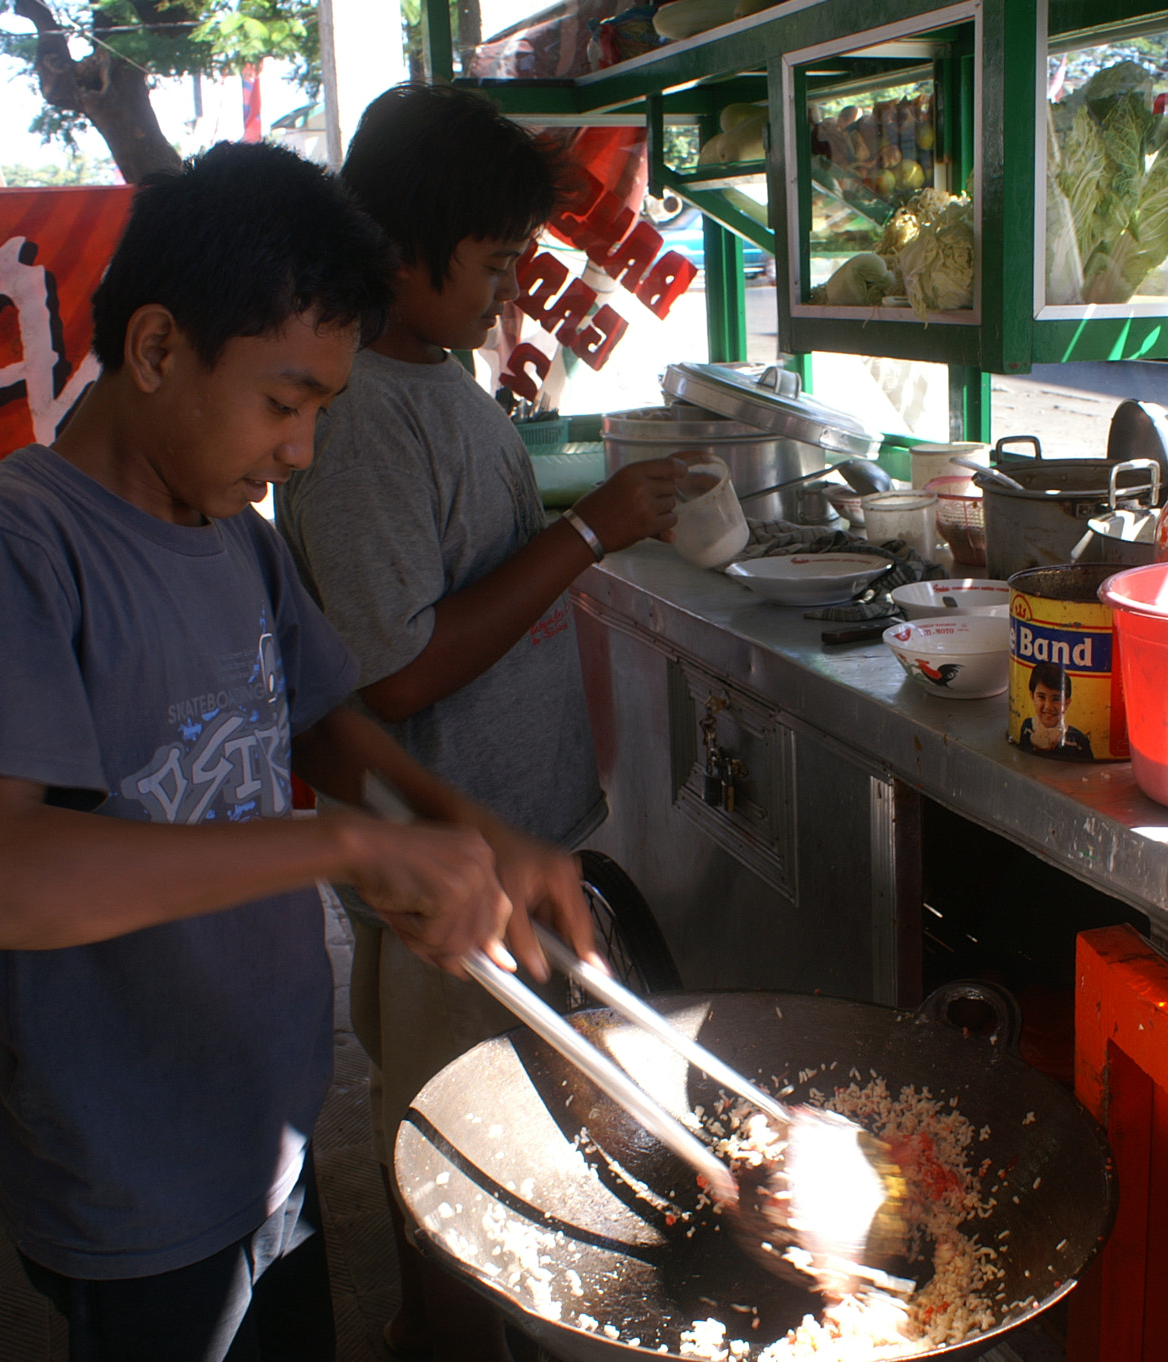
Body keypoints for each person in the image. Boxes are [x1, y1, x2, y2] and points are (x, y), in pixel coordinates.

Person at [0, 140, 594, 1362]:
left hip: (263, 1124)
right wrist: (332, 840)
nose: (301, 453)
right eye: (284, 403)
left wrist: (472, 832)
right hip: (132, 1168)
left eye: (320, 410)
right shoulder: (15, 546)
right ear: (160, 349)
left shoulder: (234, 537)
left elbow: (330, 725)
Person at [273, 83, 683, 1361]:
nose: (511, 287)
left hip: (504, 833)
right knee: (451, 1152)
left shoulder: (433, 371)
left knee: (511, 1135)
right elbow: (390, 674)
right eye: (495, 262)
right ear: (405, 247)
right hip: (438, 873)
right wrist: (585, 532)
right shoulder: (354, 422)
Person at [1017, 661, 1094, 761]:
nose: (1048, 707)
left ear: (1067, 703)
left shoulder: (1078, 740)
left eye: (1057, 698)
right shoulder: (1027, 727)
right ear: (1032, 697)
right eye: (1041, 697)